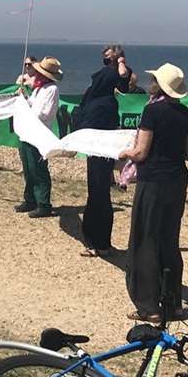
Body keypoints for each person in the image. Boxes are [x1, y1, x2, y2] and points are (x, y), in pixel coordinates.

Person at [120, 63, 188, 324]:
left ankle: (149, 305)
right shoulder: (186, 114)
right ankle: (174, 303)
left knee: (145, 240)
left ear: (158, 85)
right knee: (169, 240)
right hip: (176, 181)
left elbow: (141, 152)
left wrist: (124, 153)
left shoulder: (152, 111)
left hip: (153, 180)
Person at [75, 44, 130, 256]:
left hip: (102, 137)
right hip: (92, 136)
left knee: (100, 190)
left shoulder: (116, 75)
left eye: (110, 58)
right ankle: (93, 240)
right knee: (95, 190)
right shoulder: (98, 84)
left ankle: (100, 242)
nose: (107, 61)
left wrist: (121, 62)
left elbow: (124, 81)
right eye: (105, 58)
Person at [15, 56, 61, 219]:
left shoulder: (51, 90)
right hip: (27, 132)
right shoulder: (38, 88)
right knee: (28, 168)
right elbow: (32, 105)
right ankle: (30, 199)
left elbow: (45, 113)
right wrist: (24, 97)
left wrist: (29, 110)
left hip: (39, 133)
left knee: (38, 169)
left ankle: (44, 203)